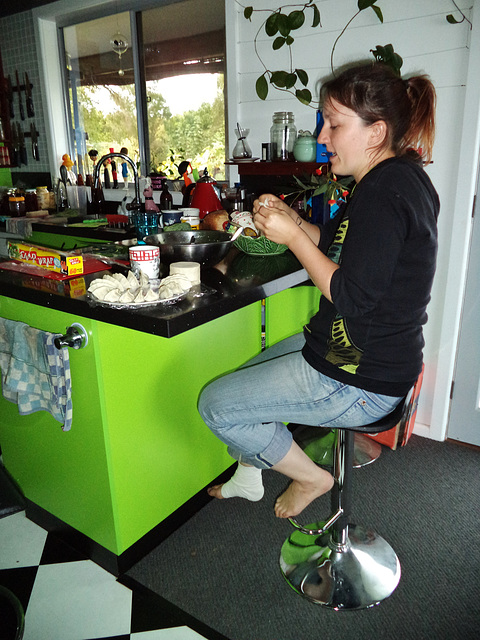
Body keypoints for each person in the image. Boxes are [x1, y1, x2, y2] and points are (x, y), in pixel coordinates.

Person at [198, 62, 440, 519]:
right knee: (243, 385)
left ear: (375, 133)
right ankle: (251, 475)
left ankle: (311, 476)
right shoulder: (392, 180)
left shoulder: (384, 192)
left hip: (360, 376)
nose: (323, 137)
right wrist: (293, 223)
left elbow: (350, 294)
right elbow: (339, 247)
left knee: (216, 406)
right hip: (356, 353)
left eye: (334, 124)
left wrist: (291, 238)